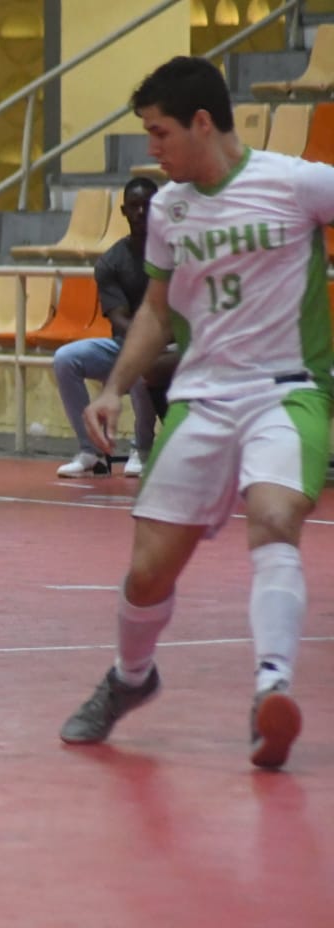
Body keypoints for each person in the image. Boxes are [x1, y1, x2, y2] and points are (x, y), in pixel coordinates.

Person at [59, 56, 333, 770]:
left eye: (159, 133)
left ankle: (269, 690)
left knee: (275, 520)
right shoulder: (173, 208)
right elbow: (155, 312)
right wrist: (116, 387)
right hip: (202, 399)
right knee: (148, 575)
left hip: (287, 388)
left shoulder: (298, 182)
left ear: (202, 123)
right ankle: (130, 678)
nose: (152, 149)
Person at [53, 176, 163, 478]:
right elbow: (118, 317)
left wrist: (150, 343)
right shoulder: (111, 262)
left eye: (150, 206)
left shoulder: (175, 252)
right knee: (66, 358)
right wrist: (142, 341)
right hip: (125, 343)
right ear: (124, 211)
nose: (142, 213)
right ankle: (90, 450)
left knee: (143, 364)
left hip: (171, 345)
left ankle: (142, 448)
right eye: (135, 207)